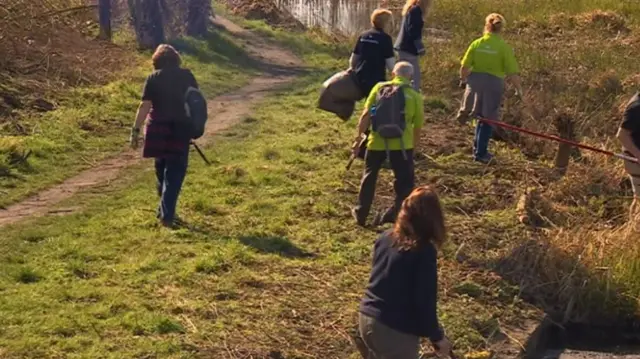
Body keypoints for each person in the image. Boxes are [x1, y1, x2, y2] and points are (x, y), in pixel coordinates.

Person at [358, 185, 453, 359]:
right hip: (393, 330)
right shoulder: (423, 251)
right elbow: (424, 300)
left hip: (366, 319)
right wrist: (437, 337)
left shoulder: (385, 238)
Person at [129, 44, 198, 228]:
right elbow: (195, 103)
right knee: (174, 173)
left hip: (157, 129)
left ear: (156, 61)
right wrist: (196, 126)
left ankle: (164, 210)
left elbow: (144, 106)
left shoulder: (153, 78)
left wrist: (135, 130)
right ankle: (167, 216)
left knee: (161, 170)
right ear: (176, 59)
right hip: (179, 129)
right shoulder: (187, 76)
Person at [351, 61, 424, 227]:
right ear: (410, 77)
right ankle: (396, 215)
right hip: (402, 145)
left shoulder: (379, 88)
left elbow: (366, 116)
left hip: (376, 142)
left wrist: (358, 139)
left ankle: (361, 213)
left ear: (393, 74)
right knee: (404, 182)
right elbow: (417, 125)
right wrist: (414, 147)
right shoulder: (415, 95)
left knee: (369, 176)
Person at [457, 13, 523, 164]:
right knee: (487, 118)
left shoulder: (477, 43)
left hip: (475, 82)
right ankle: (481, 153)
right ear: (501, 28)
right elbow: (512, 72)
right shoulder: (503, 47)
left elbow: (464, 66)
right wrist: (519, 89)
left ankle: (477, 149)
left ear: (486, 26)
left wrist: (463, 80)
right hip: (493, 83)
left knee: (479, 116)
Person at [350, 8, 397, 160]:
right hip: (376, 81)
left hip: (361, 78)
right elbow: (391, 64)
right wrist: (397, 78)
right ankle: (368, 142)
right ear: (385, 23)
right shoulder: (385, 39)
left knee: (368, 109)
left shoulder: (363, 35)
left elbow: (353, 60)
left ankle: (364, 137)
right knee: (375, 111)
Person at [394, 0, 431, 91]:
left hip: (403, 47)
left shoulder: (411, 9)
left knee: (402, 75)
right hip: (408, 49)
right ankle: (411, 98)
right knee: (415, 77)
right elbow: (413, 31)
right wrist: (420, 48)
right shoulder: (416, 11)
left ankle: (398, 96)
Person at [617, 92, 640, 218]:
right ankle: (634, 230)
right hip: (636, 162)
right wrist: (638, 155)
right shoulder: (636, 107)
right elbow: (621, 135)